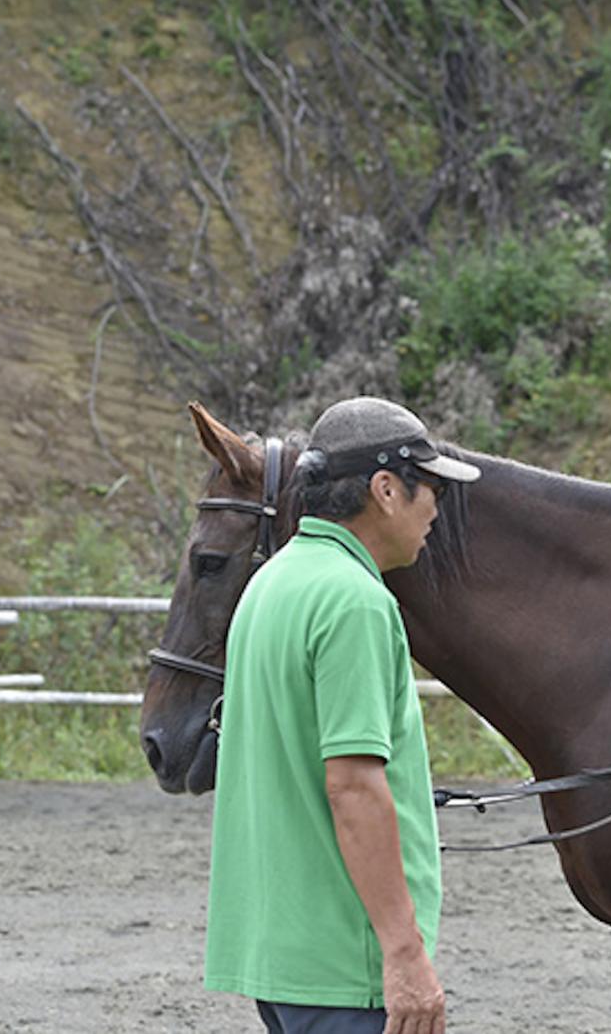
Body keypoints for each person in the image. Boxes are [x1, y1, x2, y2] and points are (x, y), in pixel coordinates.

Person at [204, 396, 481, 1034]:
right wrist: (406, 954)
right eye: (430, 487)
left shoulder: (271, 584)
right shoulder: (355, 602)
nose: (437, 507)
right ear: (386, 489)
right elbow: (353, 785)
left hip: (279, 955)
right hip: (345, 965)